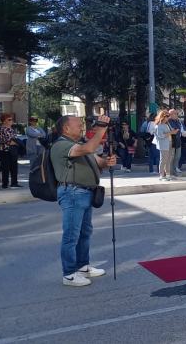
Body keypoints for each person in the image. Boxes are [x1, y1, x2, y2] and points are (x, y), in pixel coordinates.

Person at [50, 114, 117, 286]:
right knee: (71, 235)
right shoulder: (61, 145)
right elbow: (89, 149)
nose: (81, 127)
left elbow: (97, 161)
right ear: (66, 128)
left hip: (85, 192)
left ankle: (82, 266)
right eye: (78, 124)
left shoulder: (78, 145)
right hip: (72, 193)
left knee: (84, 233)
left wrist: (107, 161)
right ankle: (69, 274)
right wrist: (101, 128)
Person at [0, 113, 21, 189]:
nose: (11, 121)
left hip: (13, 150)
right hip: (4, 151)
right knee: (5, 168)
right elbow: (4, 140)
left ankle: (14, 183)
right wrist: (13, 142)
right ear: (4, 121)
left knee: (14, 167)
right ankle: (5, 184)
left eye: (11, 119)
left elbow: (15, 140)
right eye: (9, 119)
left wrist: (15, 142)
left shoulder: (12, 129)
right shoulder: (1, 129)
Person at [153, 111, 177, 181]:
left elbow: (168, 132)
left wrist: (173, 131)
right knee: (163, 160)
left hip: (169, 143)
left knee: (168, 160)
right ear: (162, 117)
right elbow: (161, 135)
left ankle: (168, 174)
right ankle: (161, 175)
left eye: (168, 116)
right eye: (167, 116)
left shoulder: (167, 124)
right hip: (163, 144)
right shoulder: (159, 125)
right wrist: (171, 132)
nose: (168, 118)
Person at [168, 109, 186, 175]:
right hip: (171, 141)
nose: (176, 115)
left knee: (178, 156)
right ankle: (170, 171)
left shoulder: (178, 121)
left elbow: (182, 129)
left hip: (178, 140)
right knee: (171, 157)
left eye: (176, 113)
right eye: (174, 114)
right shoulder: (168, 121)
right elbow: (174, 129)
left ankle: (175, 168)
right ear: (170, 114)